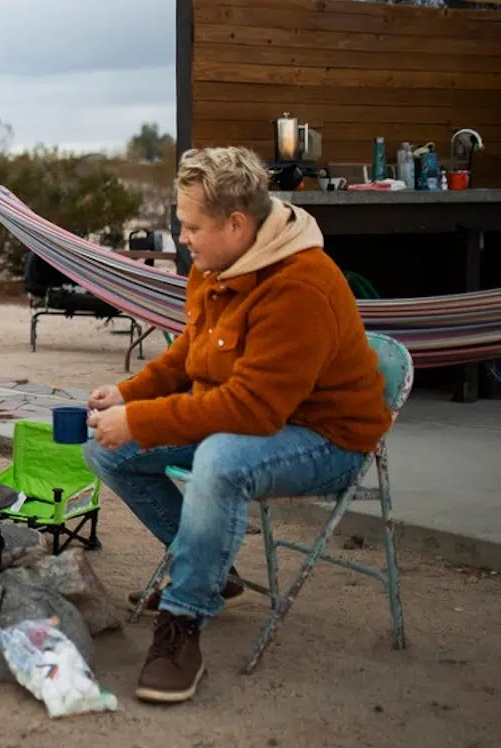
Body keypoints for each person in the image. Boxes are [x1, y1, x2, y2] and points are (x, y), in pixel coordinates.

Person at [83, 146, 391, 704]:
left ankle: (183, 622)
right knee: (107, 449)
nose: (183, 239)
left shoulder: (300, 285)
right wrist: (128, 395)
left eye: (191, 227)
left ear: (236, 223)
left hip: (325, 438)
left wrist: (141, 420)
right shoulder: (216, 267)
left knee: (219, 460)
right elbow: (191, 353)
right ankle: (208, 570)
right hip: (249, 419)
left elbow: (252, 410)